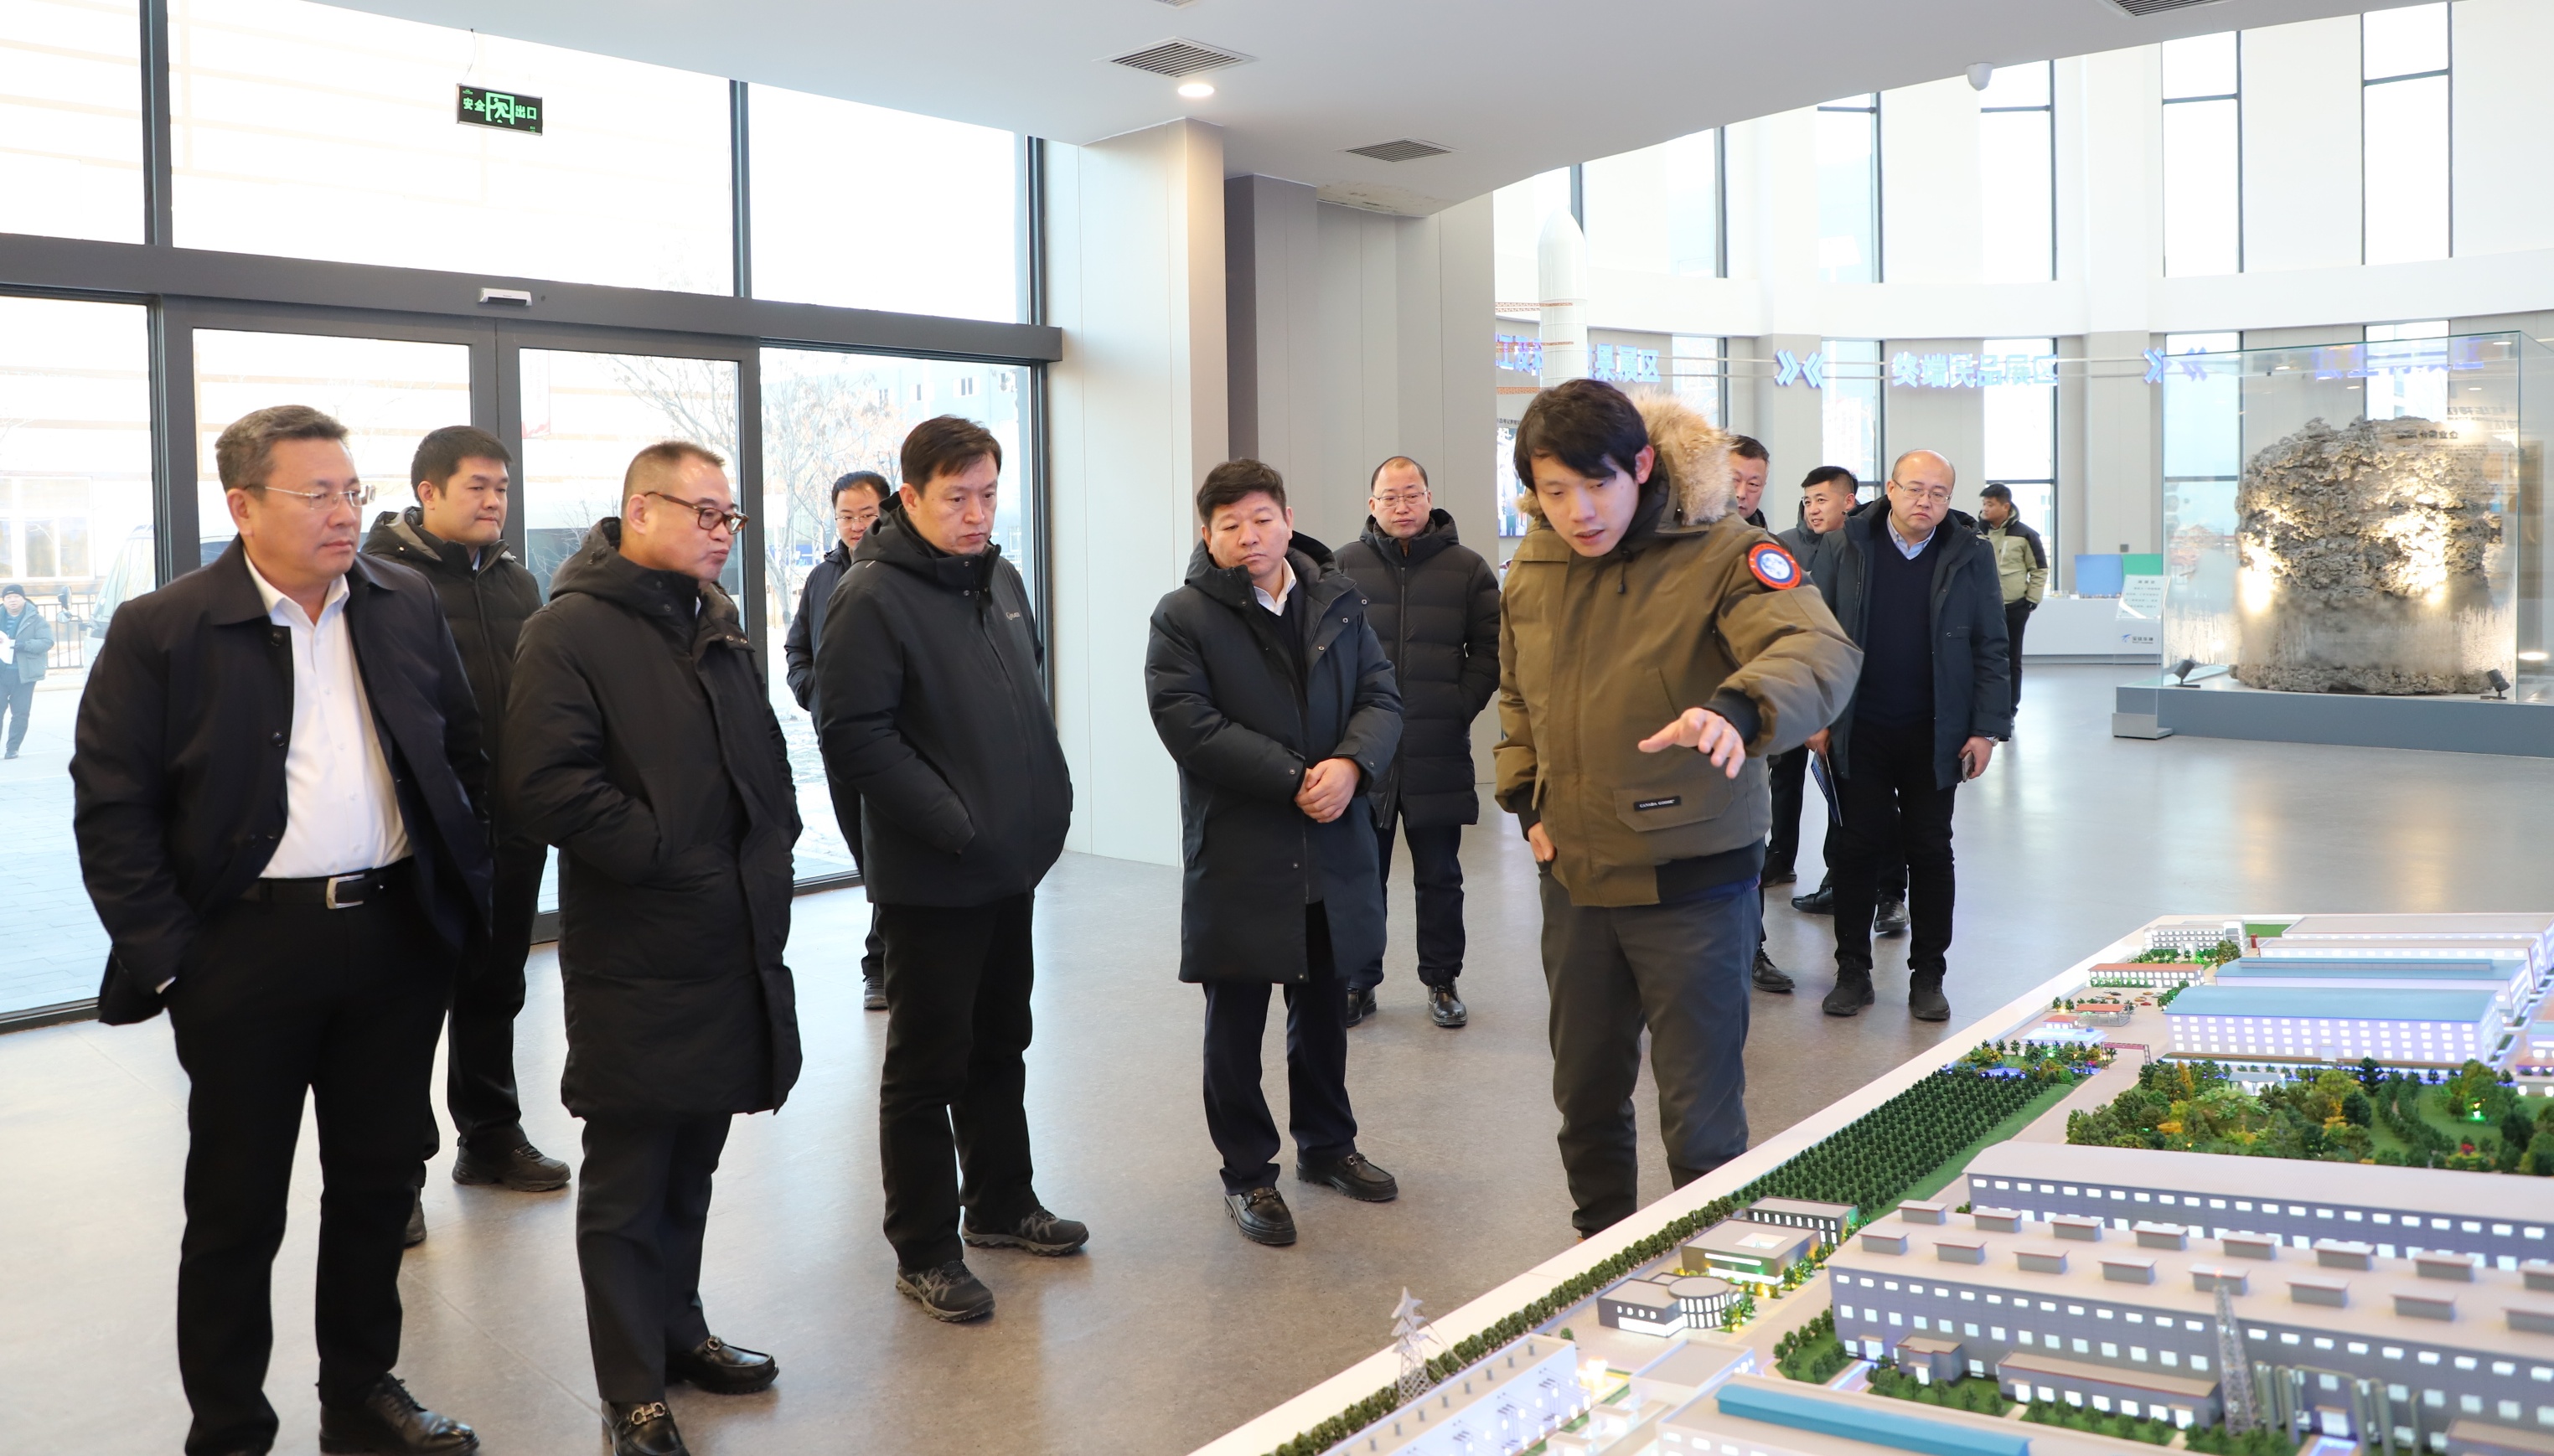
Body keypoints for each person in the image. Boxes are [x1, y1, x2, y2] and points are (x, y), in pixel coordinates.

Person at [72, 405, 494, 1456]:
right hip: (243, 955)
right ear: (243, 506)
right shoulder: (164, 627)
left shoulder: (402, 601)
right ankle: (229, 1426)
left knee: (378, 1184)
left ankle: (360, 1391)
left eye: (352, 490)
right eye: (318, 494)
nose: (344, 512)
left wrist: (453, 902)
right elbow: (112, 810)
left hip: (393, 940)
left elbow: (462, 751)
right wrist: (177, 964)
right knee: (237, 1206)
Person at [1497, 380, 1858, 1238]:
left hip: (1693, 882)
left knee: (1700, 1119)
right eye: (1555, 491)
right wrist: (1522, 795)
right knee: (1585, 1098)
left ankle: (1709, 1273)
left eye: (1597, 485)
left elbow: (1816, 648)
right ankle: (1599, 1259)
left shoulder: (1723, 549)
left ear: (1641, 465)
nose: (1579, 512)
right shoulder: (1537, 561)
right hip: (1575, 878)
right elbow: (1517, 690)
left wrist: (1737, 708)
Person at [504, 442, 802, 1456]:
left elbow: (760, 754)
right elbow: (544, 783)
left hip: (728, 933)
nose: (723, 532)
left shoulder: (714, 618)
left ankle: (680, 1331)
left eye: (731, 516)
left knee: (693, 1163)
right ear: (639, 510)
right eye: (705, 512)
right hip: (639, 942)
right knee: (630, 1175)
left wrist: (773, 838)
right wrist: (665, 853)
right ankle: (630, 1385)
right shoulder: (568, 630)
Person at [815, 416, 1082, 1324]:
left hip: (1008, 865)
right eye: (957, 497)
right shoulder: (870, 596)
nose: (976, 514)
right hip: (934, 877)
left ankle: (1002, 1201)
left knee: (1001, 1040)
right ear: (911, 497)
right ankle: (925, 1249)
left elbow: (1025, 697)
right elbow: (855, 737)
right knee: (927, 1067)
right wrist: (955, 826)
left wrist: (1047, 803)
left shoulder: (998, 578)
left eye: (988, 495)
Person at [1146, 459, 1405, 1247]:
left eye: (1262, 519)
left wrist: (1352, 765)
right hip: (1241, 846)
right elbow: (1187, 722)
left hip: (1330, 841)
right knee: (1235, 1022)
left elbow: (1382, 696)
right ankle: (1247, 1172)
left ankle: (1327, 1146)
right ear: (1208, 534)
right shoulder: (1183, 615)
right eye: (1230, 525)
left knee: (1324, 1007)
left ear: (1288, 520)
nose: (1249, 536)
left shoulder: (1336, 598)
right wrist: (1295, 778)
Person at [363, 426, 569, 1237]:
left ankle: (489, 1137)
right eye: (477, 487)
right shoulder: (380, 580)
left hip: (511, 819)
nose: (494, 502)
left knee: (495, 985)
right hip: (421, 829)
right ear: (428, 491)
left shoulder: (518, 581)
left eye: (502, 488)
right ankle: (397, 1174)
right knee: (410, 1001)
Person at [1804, 449, 2011, 1024]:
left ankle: (1928, 976)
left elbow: (1992, 644)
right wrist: (1816, 712)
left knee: (1930, 850)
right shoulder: (1845, 544)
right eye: (1915, 488)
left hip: (1936, 731)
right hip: (1859, 726)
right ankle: (1853, 972)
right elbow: (1813, 632)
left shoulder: (1970, 553)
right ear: (1890, 490)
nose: (1926, 501)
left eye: (1939, 493)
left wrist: (1986, 730)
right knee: (1856, 848)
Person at [1333, 455, 1498, 1030]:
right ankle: (1357, 983)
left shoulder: (1468, 569)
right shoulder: (1342, 567)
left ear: (1429, 498)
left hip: (1437, 746)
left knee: (1440, 877)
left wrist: (1457, 706)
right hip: (1364, 751)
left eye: (1412, 494)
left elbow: (1490, 650)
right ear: (1372, 504)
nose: (1401, 506)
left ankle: (1442, 981)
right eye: (1390, 497)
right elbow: (1323, 653)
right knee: (1361, 877)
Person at [783, 469, 890, 1012]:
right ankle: (890, 955)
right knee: (865, 854)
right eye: (845, 516)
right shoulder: (823, 577)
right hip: (838, 741)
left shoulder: (899, 574)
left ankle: (881, 965)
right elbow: (797, 649)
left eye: (865, 515)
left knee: (889, 852)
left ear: (888, 512)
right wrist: (815, 695)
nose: (854, 525)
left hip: (893, 742)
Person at [1976, 483, 2047, 716]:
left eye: (1990, 504)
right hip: (1982, 609)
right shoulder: (1976, 532)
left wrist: (2031, 601)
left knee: (2011, 660)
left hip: (2014, 608)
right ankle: (1983, 708)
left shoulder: (2025, 535)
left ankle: (2009, 710)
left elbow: (2039, 569)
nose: (1985, 509)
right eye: (1984, 504)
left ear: (2005, 506)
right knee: (1981, 658)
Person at [0, 581, 53, 759]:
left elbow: (47, 642)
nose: (12, 600)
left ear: (23, 599)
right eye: (8, 597)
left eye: (16, 596)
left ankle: (13, 748)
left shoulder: (36, 619)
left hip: (24, 674)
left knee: (20, 713)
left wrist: (25, 645)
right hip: (1, 673)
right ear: (4, 600)